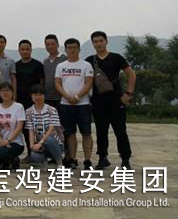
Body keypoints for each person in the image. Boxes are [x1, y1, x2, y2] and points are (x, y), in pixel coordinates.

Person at [86, 31, 136, 169]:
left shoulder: (116, 58)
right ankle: (103, 158)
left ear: (106, 41)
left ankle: (125, 160)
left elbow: (131, 74)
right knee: (101, 132)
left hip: (116, 101)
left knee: (120, 131)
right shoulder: (89, 60)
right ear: (92, 44)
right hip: (98, 102)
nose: (98, 44)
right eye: (95, 42)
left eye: (101, 41)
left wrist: (128, 94)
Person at [55, 38, 94, 169]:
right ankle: (72, 158)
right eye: (69, 48)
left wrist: (77, 96)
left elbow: (89, 83)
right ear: (65, 50)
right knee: (70, 134)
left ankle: (87, 160)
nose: (72, 50)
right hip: (65, 105)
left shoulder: (86, 65)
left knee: (86, 133)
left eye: (75, 47)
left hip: (83, 104)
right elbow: (57, 84)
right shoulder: (61, 66)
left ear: (79, 49)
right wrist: (67, 97)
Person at [0, 82, 25, 170]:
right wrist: (0, 141)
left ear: (12, 93)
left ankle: (13, 159)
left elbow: (19, 127)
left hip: (15, 143)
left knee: (1, 152)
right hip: (0, 142)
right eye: (3, 91)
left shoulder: (18, 107)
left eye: (8, 90)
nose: (5, 93)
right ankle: (7, 161)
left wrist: (8, 141)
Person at [15, 39, 44, 159]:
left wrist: (39, 99)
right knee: (25, 128)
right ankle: (29, 152)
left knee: (37, 127)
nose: (25, 51)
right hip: (20, 101)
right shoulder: (16, 65)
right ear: (19, 50)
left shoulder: (37, 65)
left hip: (34, 101)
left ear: (31, 50)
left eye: (27, 49)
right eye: (22, 49)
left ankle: (39, 152)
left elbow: (41, 82)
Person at [26, 84, 64, 170]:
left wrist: (40, 142)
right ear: (31, 96)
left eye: (40, 95)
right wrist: (32, 145)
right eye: (35, 95)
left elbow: (51, 129)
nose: (38, 97)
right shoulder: (28, 112)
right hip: (42, 145)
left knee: (49, 140)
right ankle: (46, 161)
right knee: (34, 156)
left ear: (44, 96)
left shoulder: (51, 110)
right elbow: (31, 131)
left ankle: (59, 163)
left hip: (55, 143)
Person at [42, 35, 67, 110]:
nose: (50, 46)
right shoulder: (45, 61)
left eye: (52, 44)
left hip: (62, 97)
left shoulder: (65, 59)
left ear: (58, 45)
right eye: (47, 44)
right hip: (47, 97)